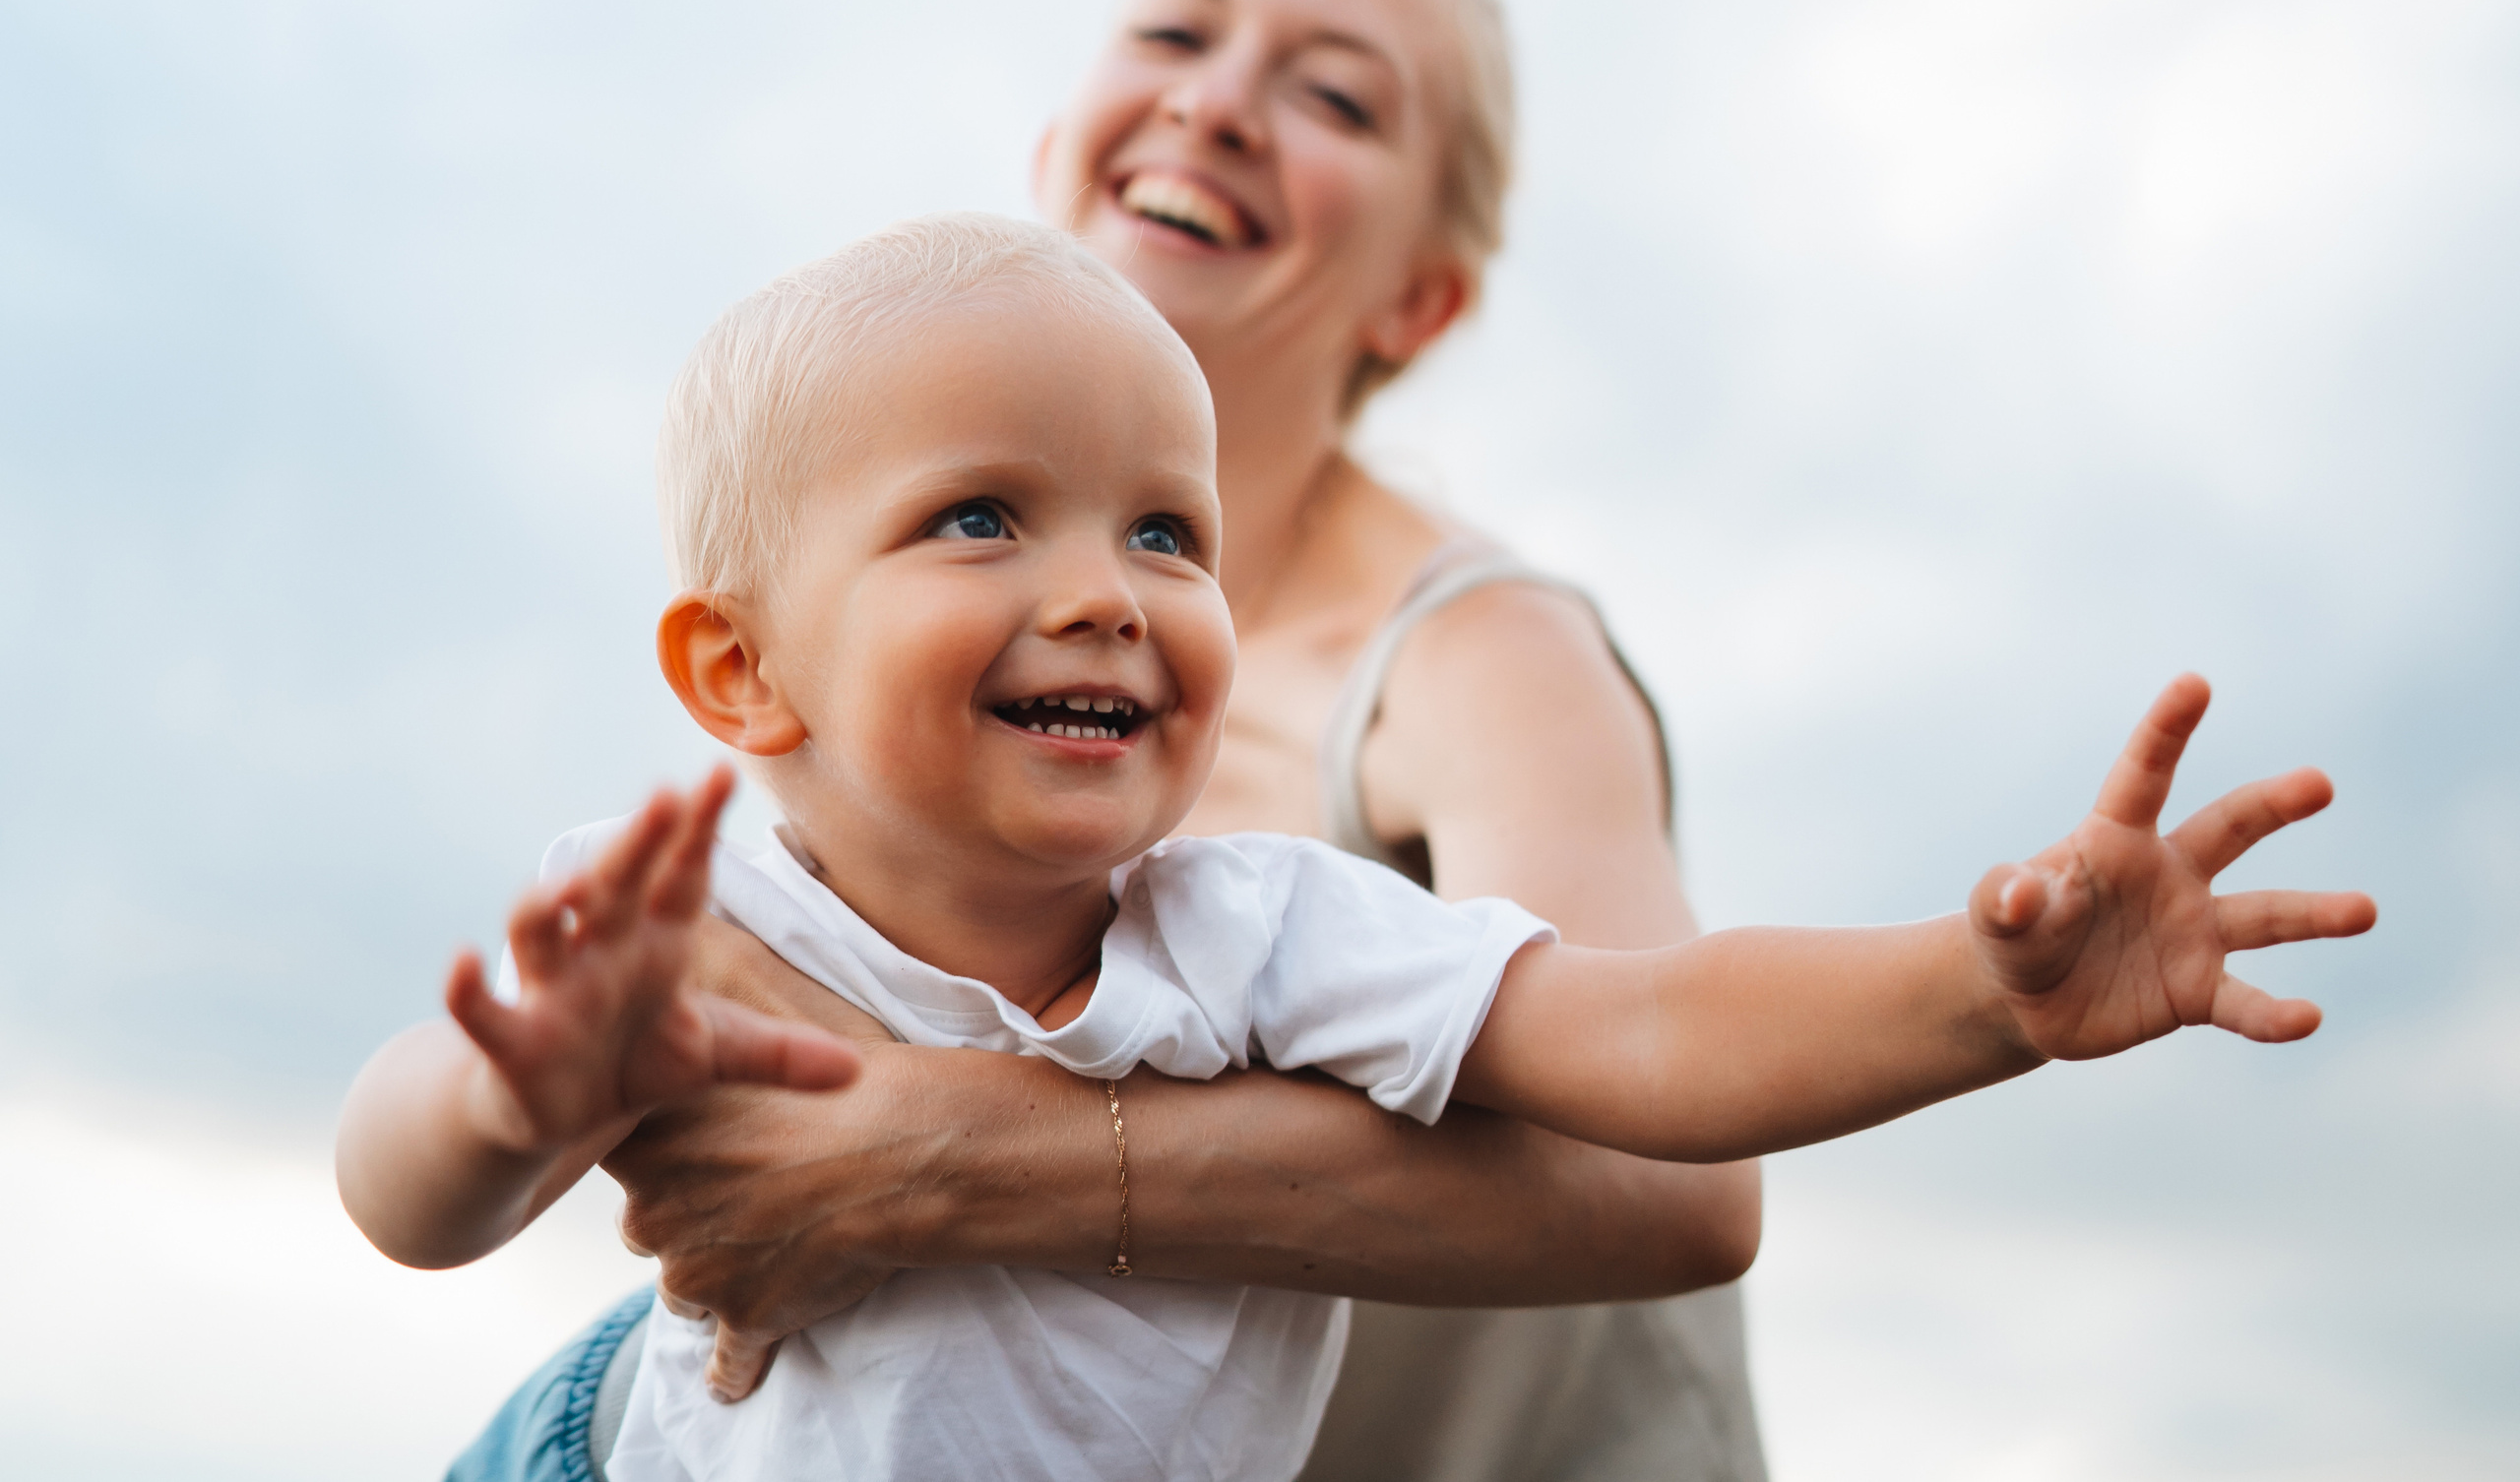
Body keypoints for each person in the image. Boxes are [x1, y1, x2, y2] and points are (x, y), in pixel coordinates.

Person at [342, 215, 2373, 1482]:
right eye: (981, 517)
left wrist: (1980, 989)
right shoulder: (689, 912)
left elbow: (1650, 1034)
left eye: (1164, 528)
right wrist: (515, 1083)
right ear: (740, 668)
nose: (1106, 587)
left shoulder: (1256, 933)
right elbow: (404, 1196)